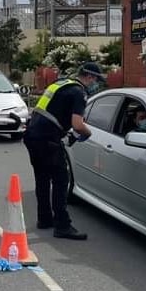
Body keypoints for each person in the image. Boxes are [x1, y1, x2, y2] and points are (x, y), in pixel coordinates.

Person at [23, 62, 104, 241]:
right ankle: (62, 225)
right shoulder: (79, 93)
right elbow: (77, 124)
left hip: (32, 135)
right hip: (47, 140)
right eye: (96, 80)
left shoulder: (60, 84)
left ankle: (44, 219)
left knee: (42, 178)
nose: (96, 84)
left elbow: (52, 111)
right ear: (89, 77)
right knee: (61, 180)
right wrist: (87, 133)